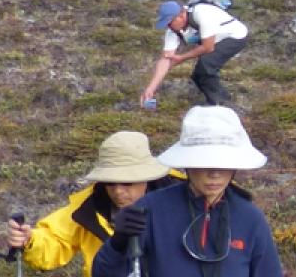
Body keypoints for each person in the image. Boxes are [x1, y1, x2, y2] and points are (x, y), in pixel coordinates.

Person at [91, 107, 282, 277]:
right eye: (205, 162)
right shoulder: (150, 209)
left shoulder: (250, 218)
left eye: (224, 164)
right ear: (187, 164)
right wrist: (118, 243)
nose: (215, 173)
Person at [5, 132, 186, 277]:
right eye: (110, 183)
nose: (117, 191)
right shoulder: (89, 207)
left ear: (146, 176)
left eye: (127, 182)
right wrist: (30, 241)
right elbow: (56, 239)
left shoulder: (184, 198)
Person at [141, 0, 251, 109]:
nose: (169, 27)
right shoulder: (173, 31)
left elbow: (208, 47)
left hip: (236, 36)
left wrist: (181, 58)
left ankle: (218, 105)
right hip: (216, 40)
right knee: (198, 76)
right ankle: (223, 100)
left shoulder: (202, 13)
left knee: (205, 67)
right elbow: (166, 59)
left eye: (170, 22)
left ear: (181, 15)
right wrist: (150, 89)